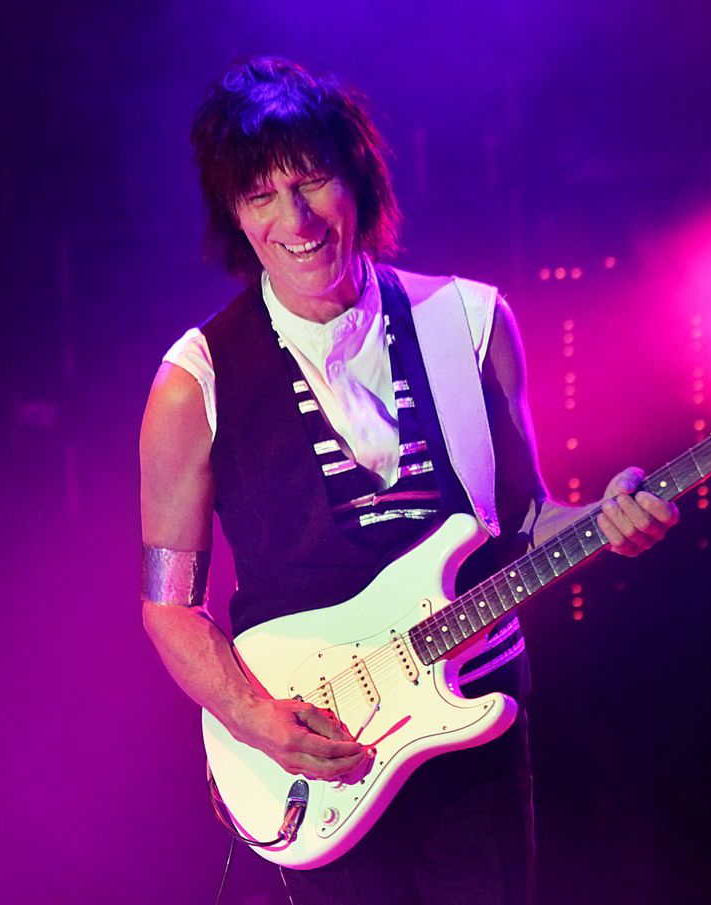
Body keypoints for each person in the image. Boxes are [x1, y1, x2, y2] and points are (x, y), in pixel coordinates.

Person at [139, 57, 679, 905]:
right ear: (235, 218)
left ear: (357, 178)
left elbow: (525, 515)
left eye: (313, 181)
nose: (298, 219)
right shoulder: (194, 381)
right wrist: (256, 719)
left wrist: (606, 517)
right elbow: (169, 604)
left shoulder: (468, 321)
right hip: (323, 754)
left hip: (475, 737)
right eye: (262, 197)